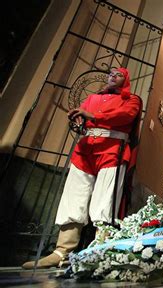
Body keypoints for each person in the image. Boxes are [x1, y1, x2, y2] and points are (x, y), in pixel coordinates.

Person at [22, 67, 142, 269]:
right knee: (74, 196)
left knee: (105, 199)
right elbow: (84, 116)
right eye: (111, 73)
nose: (112, 76)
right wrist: (79, 119)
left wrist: (93, 116)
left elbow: (125, 116)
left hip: (113, 150)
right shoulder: (93, 98)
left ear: (126, 79)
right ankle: (62, 251)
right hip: (84, 150)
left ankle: (100, 249)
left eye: (118, 74)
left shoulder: (132, 99)